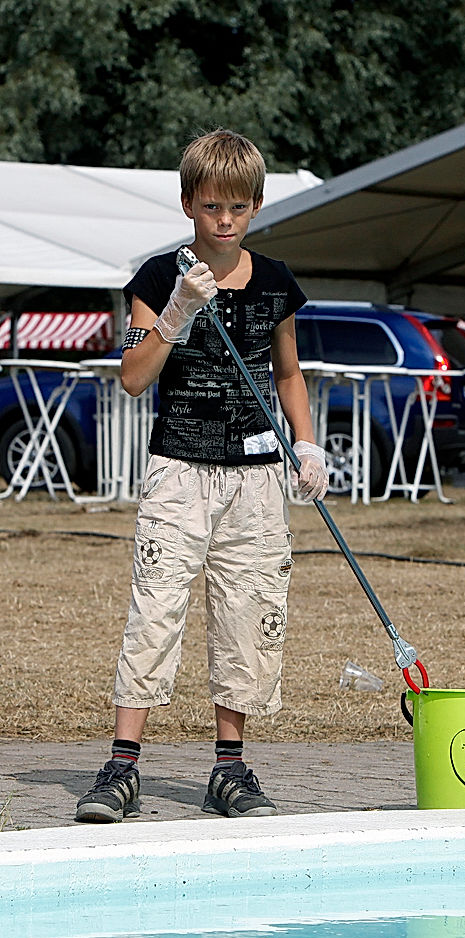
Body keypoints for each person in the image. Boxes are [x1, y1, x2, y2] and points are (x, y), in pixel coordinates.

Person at [75, 128, 328, 823]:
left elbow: (287, 371)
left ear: (257, 206)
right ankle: (122, 766)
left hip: (254, 477)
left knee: (248, 615)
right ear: (187, 201)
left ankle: (230, 768)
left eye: (239, 208)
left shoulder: (275, 281)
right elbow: (132, 376)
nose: (224, 221)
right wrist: (178, 314)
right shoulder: (159, 279)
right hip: (178, 469)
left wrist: (307, 445)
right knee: (156, 608)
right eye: (212, 206)